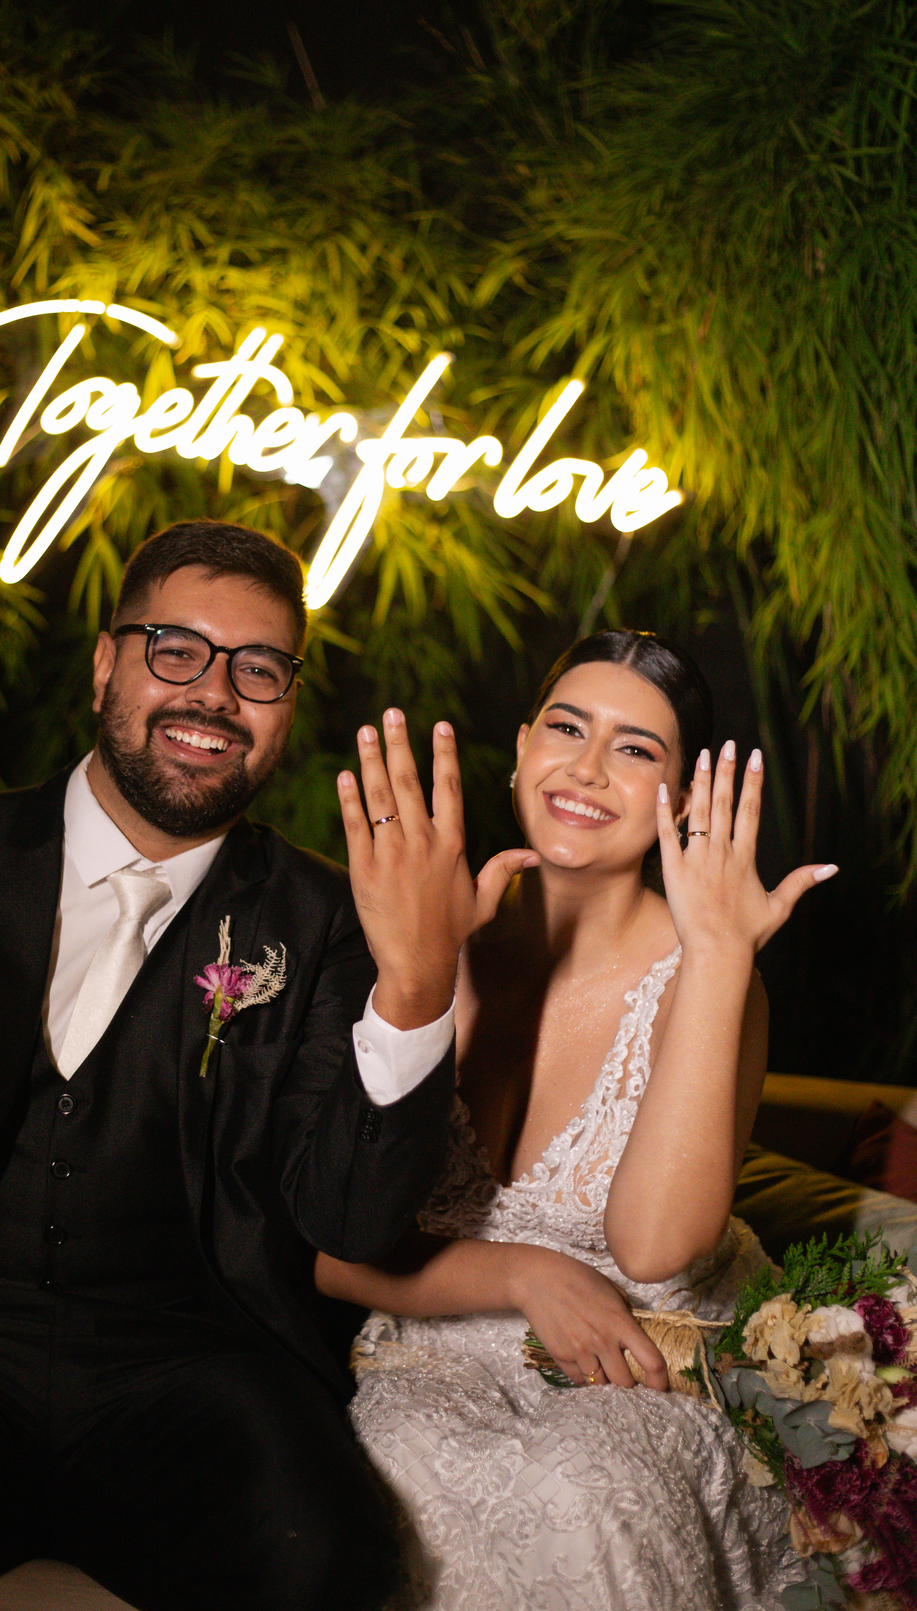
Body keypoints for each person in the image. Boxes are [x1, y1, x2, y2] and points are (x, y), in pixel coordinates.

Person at [0, 518, 536, 1611]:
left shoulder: (330, 921)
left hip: (194, 1376)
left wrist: (420, 983)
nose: (215, 694)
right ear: (106, 663)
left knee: (325, 1558)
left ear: (289, 704)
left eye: (259, 669)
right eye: (176, 650)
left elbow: (351, 1220)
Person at [319, 630, 840, 1611]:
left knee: (587, 1491)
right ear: (521, 750)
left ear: (680, 797)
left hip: (650, 1348)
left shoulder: (710, 966)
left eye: (636, 749)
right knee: (397, 1471)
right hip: (441, 1341)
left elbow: (653, 1248)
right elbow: (322, 1247)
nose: (589, 768)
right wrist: (524, 1272)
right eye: (567, 729)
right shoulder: (428, 935)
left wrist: (718, 959)